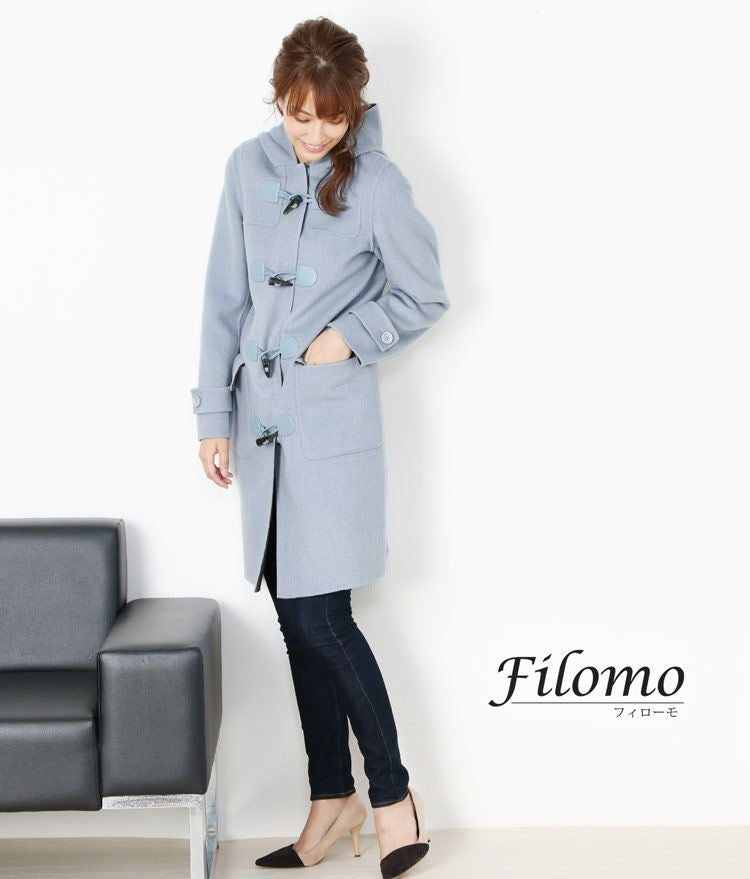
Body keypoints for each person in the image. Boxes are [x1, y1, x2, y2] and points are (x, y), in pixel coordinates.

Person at [191, 17, 450, 878]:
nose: (314, 133)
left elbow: (424, 293)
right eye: (300, 115)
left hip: (332, 432)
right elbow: (223, 299)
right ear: (279, 100)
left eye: (331, 118)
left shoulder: (377, 182)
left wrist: (347, 336)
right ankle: (330, 797)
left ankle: (394, 796)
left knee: (321, 618)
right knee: (293, 619)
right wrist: (212, 415)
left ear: (354, 109)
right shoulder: (246, 168)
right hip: (260, 426)